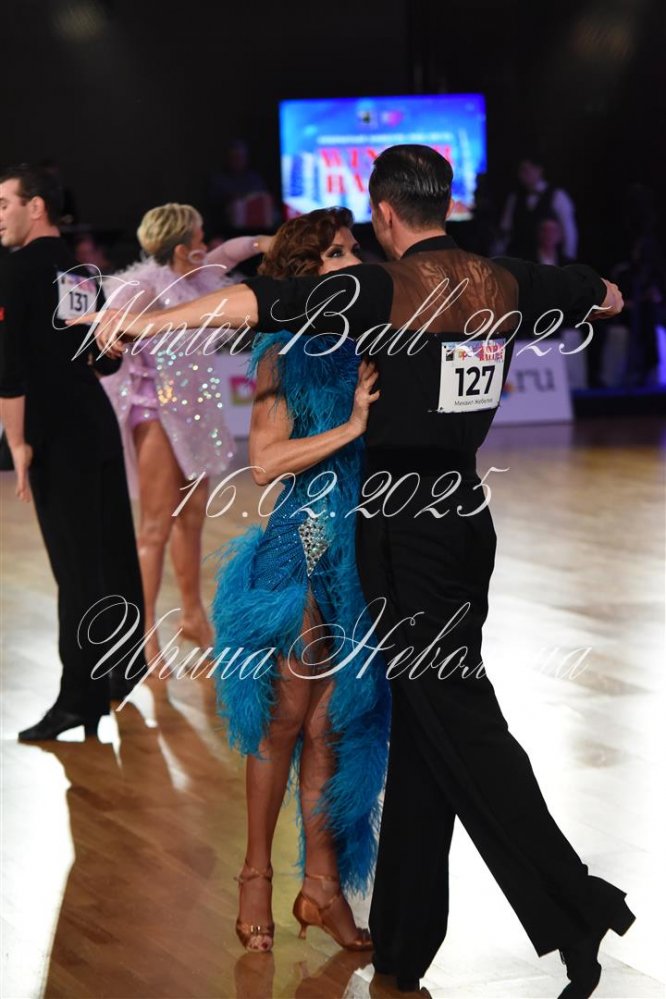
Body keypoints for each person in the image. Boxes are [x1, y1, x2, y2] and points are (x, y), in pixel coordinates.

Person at [72, 144, 633, 998]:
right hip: (465, 517)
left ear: (384, 213)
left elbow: (251, 299)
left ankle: (576, 902)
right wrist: (589, 295)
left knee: (460, 723)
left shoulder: (383, 288)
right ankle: (404, 940)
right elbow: (602, 292)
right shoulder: (509, 279)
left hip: (401, 526)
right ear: (445, 201)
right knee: (427, 733)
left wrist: (146, 324)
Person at [211, 208, 390, 952]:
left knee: (331, 727)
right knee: (284, 720)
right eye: (336, 253)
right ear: (305, 272)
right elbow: (264, 462)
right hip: (307, 546)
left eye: (354, 248)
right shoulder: (283, 351)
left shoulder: (374, 338)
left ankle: (322, 888)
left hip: (362, 550)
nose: (353, 259)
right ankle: (255, 874)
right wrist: (350, 428)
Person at [0, 163, 146, 740]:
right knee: (112, 555)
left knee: (77, 570)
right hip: (95, 425)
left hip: (56, 435)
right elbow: (104, 359)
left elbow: (8, 369)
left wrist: (17, 444)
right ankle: (123, 669)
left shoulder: (17, 270)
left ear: (36, 207)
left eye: (4, 204)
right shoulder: (78, 268)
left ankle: (79, 700)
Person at [101, 205, 273, 662]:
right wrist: (110, 328)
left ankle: (193, 615)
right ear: (182, 248)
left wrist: (268, 243)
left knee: (192, 518)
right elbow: (113, 314)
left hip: (197, 413)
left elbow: (233, 251)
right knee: (155, 527)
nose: (207, 243)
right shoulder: (144, 286)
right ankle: (143, 632)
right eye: (200, 237)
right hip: (154, 412)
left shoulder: (198, 279)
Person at [500, 153, 578, 261]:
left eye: (526, 170)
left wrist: (568, 258)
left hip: (547, 261)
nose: (522, 175)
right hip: (519, 258)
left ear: (539, 170)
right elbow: (506, 229)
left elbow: (568, 229)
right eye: (520, 171)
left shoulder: (557, 195)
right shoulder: (514, 198)